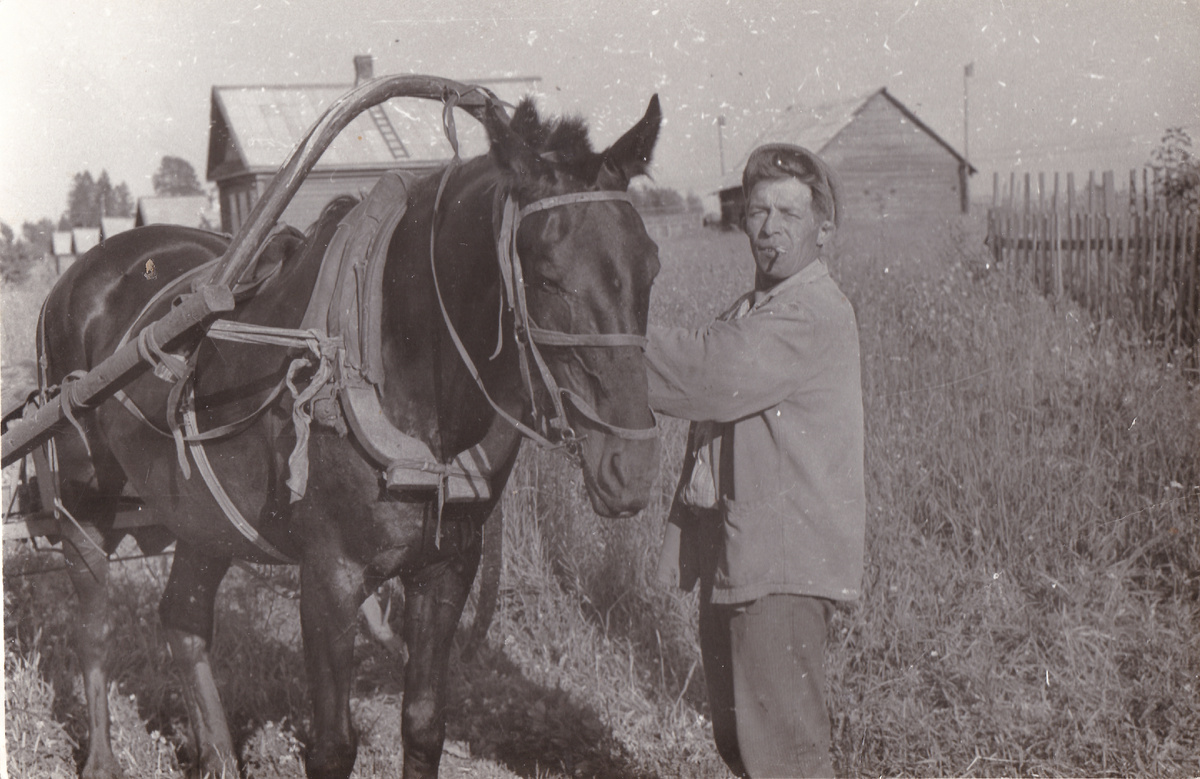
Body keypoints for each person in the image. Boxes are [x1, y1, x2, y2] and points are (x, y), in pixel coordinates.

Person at [646, 143, 865, 778]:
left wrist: (600, 348)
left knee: (784, 757)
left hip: (783, 568)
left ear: (824, 229)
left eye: (788, 215)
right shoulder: (755, 307)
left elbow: (709, 372)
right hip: (743, 557)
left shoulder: (810, 311)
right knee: (743, 745)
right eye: (757, 211)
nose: (767, 228)